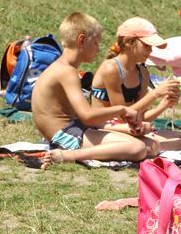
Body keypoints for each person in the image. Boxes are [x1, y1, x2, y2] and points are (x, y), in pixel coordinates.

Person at [32, 12, 147, 169]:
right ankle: (68, 155)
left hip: (72, 128)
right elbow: (87, 116)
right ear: (82, 40)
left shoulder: (63, 67)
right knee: (138, 148)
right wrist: (122, 109)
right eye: (96, 43)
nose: (98, 49)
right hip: (63, 134)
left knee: (144, 143)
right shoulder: (67, 72)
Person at [91, 17, 181, 152]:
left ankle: (150, 146)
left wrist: (164, 104)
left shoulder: (142, 72)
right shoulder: (111, 69)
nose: (151, 51)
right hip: (105, 128)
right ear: (129, 42)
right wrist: (155, 94)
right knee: (153, 143)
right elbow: (123, 116)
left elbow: (139, 117)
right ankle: (149, 146)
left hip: (131, 128)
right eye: (146, 46)